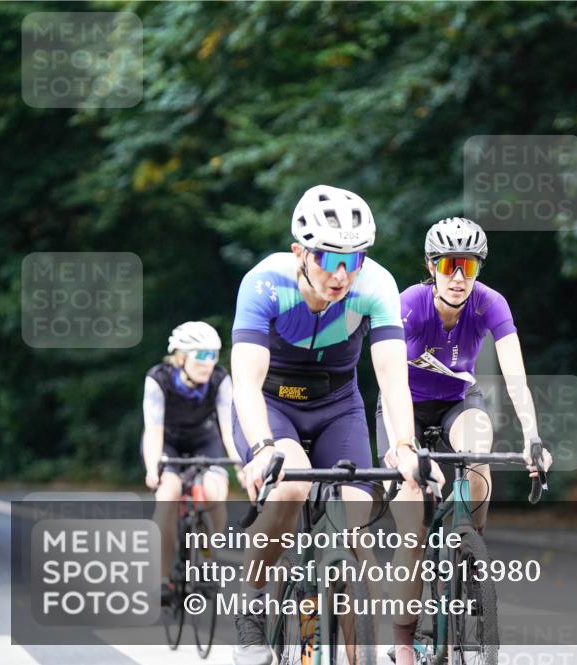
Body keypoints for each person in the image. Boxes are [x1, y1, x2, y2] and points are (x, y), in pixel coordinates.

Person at [229, 185, 436, 665]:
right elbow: (245, 380)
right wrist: (262, 447)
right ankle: (251, 606)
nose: (342, 274)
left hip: (338, 405)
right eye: (328, 257)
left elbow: (391, 378)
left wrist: (403, 445)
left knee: (352, 524)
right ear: (300, 251)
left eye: (354, 258)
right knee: (289, 489)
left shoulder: (375, 285)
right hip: (273, 404)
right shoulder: (264, 283)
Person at [375, 217, 553, 665]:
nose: (458, 277)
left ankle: (469, 550)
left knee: (479, 447)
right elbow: (391, 375)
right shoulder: (410, 305)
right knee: (412, 522)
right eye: (450, 265)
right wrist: (405, 446)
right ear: (432, 266)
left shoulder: (489, 304)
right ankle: (402, 638)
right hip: (404, 407)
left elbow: (516, 377)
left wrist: (533, 437)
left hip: (457, 400)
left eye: (468, 268)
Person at [142, 321, 241, 602]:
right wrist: (153, 469)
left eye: (214, 355)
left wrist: (239, 464)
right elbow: (153, 430)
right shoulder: (158, 379)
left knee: (214, 492)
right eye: (202, 355)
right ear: (181, 357)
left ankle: (209, 559)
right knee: (168, 494)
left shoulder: (220, 380)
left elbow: (227, 428)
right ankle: (164, 577)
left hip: (204, 440)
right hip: (168, 442)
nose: (209, 363)